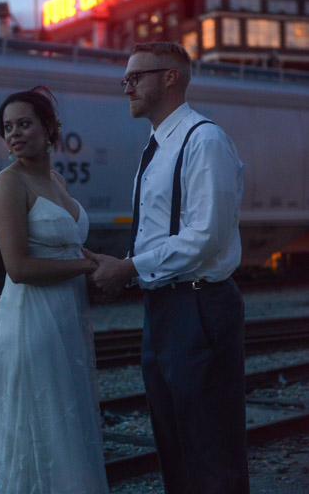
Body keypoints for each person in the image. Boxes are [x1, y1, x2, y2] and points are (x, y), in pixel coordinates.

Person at [85, 42, 250, 494]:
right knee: (175, 445)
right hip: (164, 307)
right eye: (125, 80)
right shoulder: (156, 148)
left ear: (169, 78)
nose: (127, 88)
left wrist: (128, 267)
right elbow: (158, 234)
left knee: (211, 448)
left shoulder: (204, 140)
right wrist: (126, 269)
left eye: (134, 78)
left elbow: (206, 236)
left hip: (200, 305)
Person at [0, 86, 109, 494]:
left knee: (69, 424)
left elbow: (67, 245)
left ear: (49, 129)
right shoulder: (8, 183)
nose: (14, 134)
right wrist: (90, 267)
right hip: (32, 321)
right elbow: (18, 267)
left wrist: (96, 262)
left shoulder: (55, 179)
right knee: (45, 427)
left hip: (67, 316)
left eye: (24, 123)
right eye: (7, 128)